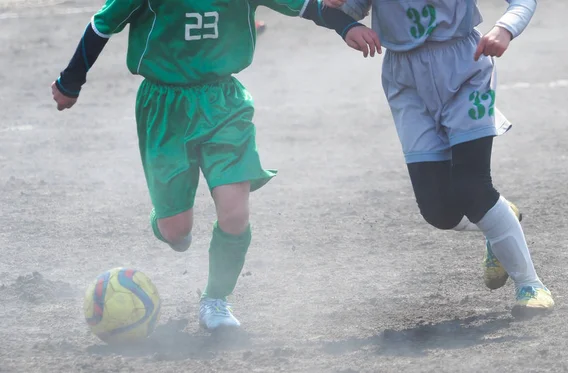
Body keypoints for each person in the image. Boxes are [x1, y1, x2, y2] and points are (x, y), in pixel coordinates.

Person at [51, 0, 381, 331]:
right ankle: (168, 223)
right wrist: (71, 80)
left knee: (235, 211)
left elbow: (307, 6)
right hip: (164, 107)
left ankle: (216, 300)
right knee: (176, 230)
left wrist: (346, 26)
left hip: (223, 103)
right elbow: (102, 25)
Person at [328, 0, 553, 318]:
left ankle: (530, 286)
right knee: (439, 213)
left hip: (466, 68)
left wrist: (505, 28)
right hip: (405, 81)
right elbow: (331, 7)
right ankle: (499, 221)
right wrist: (346, 25)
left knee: (472, 186)